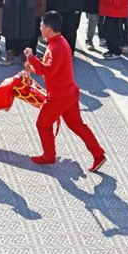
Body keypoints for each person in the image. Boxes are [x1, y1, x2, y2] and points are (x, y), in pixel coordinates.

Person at [23, 11, 105, 172]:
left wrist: (32, 57)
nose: (40, 27)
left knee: (43, 124)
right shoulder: (57, 42)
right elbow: (51, 69)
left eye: (41, 25)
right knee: (76, 125)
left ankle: (49, 155)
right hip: (69, 92)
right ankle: (98, 154)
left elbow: (49, 70)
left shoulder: (56, 47)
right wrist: (33, 68)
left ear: (48, 29)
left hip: (59, 96)